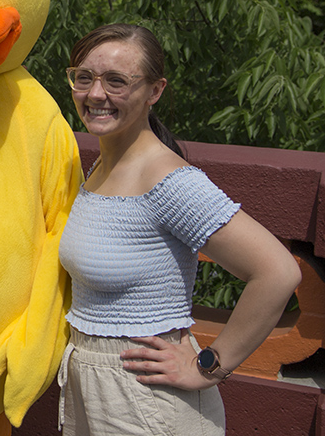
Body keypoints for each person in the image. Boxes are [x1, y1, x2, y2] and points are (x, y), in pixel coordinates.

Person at [57, 23, 301, 436]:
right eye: (84, 77)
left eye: (116, 81)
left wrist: (209, 366)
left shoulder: (168, 180)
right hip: (94, 385)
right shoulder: (102, 166)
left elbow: (278, 272)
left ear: (155, 91)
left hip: (145, 398)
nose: (95, 94)